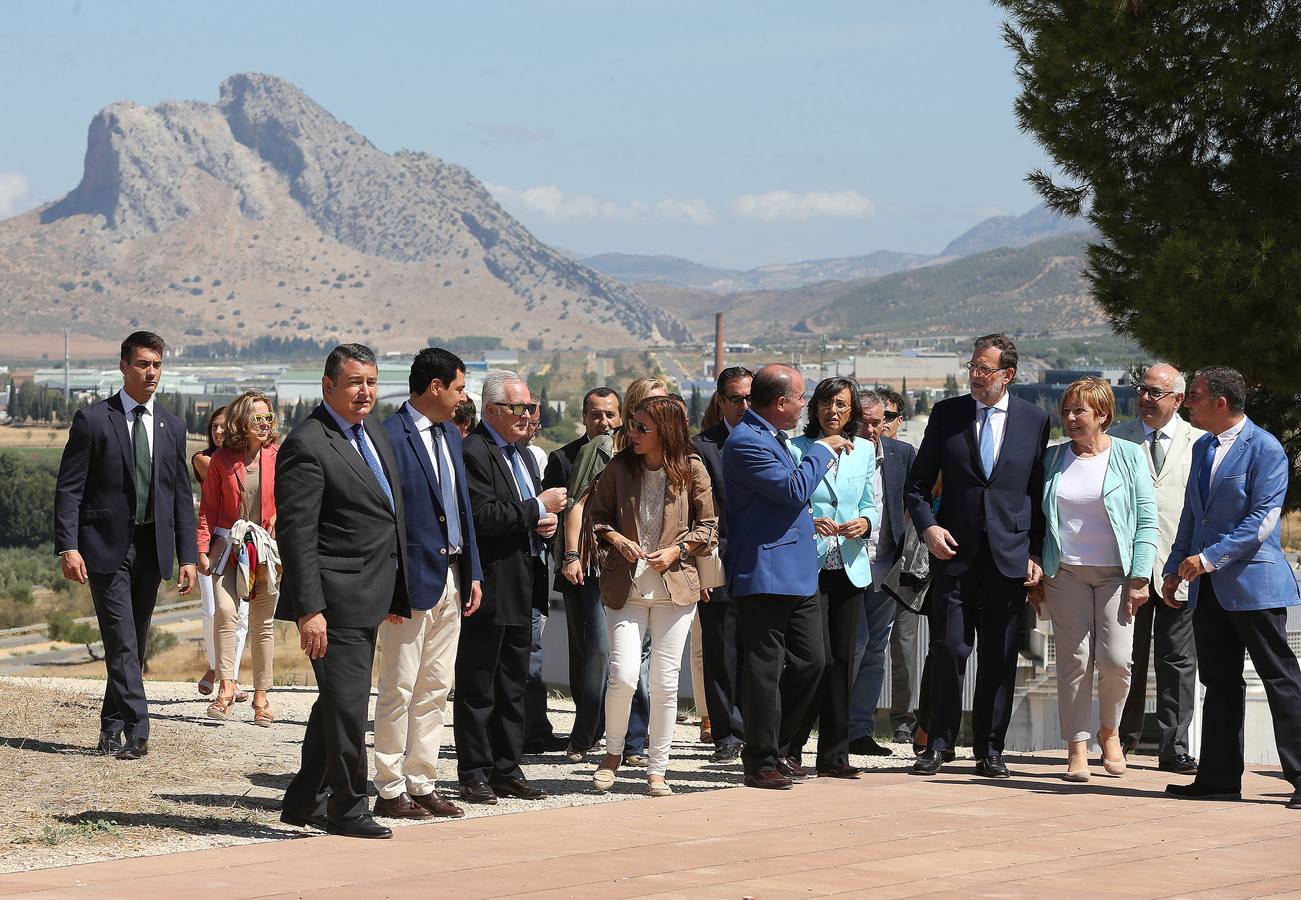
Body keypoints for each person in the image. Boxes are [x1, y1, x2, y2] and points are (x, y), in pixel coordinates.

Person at [275, 343, 410, 840]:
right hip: (333, 602)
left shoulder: (372, 430)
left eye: (371, 381)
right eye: (355, 382)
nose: (366, 391)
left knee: (335, 702)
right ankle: (348, 810)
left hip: (373, 592)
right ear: (328, 385)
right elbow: (297, 535)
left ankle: (303, 799)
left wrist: (397, 592)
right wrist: (310, 610)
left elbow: (385, 513)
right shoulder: (307, 444)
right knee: (350, 707)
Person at [906, 333, 1050, 778]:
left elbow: (1037, 493)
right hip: (954, 554)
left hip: (1009, 557)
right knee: (949, 648)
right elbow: (916, 485)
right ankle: (939, 743)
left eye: (984, 369)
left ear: (1007, 374)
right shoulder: (947, 415)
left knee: (999, 655)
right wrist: (928, 527)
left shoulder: (1034, 419)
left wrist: (1036, 554)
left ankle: (990, 748)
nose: (974, 375)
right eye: (972, 366)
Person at [1162, 367, 1301, 809]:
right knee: (1219, 683)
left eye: (1195, 396)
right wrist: (1173, 567)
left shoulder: (1266, 449)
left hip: (1254, 586)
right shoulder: (1203, 447)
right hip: (1208, 591)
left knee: (1281, 681)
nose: (1188, 403)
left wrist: (1206, 559)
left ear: (1220, 403)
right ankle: (1219, 779)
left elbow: (1262, 522)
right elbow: (1192, 514)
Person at [55, 331, 197, 760]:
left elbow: (179, 496)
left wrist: (188, 555)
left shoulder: (172, 425)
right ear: (123, 366)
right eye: (142, 364)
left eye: (157, 364)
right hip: (103, 548)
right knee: (121, 640)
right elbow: (69, 489)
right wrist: (68, 545)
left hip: (152, 549)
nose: (151, 372)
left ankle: (110, 727)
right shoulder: (94, 419)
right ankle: (138, 728)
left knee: (132, 638)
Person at [723, 364, 851, 789]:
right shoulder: (745, 441)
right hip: (765, 572)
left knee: (815, 662)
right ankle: (760, 758)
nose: (803, 405)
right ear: (780, 403)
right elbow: (793, 490)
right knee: (764, 669)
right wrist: (823, 451)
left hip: (798, 571)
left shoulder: (772, 437)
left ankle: (778, 745)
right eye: (799, 398)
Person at [587, 396, 717, 795]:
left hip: (675, 587)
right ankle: (612, 754)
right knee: (624, 675)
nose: (633, 434)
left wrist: (677, 550)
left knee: (664, 682)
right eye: (632, 425)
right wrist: (616, 538)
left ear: (667, 430)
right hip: (625, 586)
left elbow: (709, 526)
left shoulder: (693, 468)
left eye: (642, 427)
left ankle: (658, 768)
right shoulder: (619, 466)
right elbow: (596, 516)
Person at [373, 348, 483, 820]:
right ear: (435, 387)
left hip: (452, 580)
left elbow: (462, 510)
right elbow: (386, 521)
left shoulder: (451, 438)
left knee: (437, 686)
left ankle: (422, 781)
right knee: (398, 685)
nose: (463, 397)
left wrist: (473, 570)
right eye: (459, 388)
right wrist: (393, 586)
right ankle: (388, 784)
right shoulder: (389, 437)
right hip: (410, 584)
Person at [1037, 377, 1157, 781]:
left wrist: (1140, 577)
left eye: (1079, 411)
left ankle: (1110, 732)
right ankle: (1076, 746)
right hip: (1065, 571)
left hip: (1117, 576)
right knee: (1074, 660)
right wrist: (1034, 563)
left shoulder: (1128, 456)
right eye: (1066, 411)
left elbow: (1146, 520)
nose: (1070, 418)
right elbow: (1037, 519)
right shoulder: (1053, 459)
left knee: (1116, 659)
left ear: (1102, 415)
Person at [456, 370, 565, 804]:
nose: (527, 416)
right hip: (491, 584)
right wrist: (538, 507)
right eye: (519, 408)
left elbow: (523, 515)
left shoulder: (521, 454)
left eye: (531, 408)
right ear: (493, 410)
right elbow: (483, 516)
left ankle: (507, 767)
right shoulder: (474, 452)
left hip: (525, 584)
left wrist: (545, 524)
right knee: (479, 684)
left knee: (513, 684)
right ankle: (475, 772)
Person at [561, 376, 667, 767]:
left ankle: (634, 742)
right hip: (600, 562)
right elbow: (577, 503)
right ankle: (586, 733)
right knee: (603, 655)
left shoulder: (667, 455)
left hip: (650, 565)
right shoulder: (603, 450)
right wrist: (571, 555)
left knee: (641, 659)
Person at [1110, 364, 1204, 775]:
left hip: (1179, 567)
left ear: (1178, 400)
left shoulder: (1200, 443)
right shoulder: (1116, 439)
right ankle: (1119, 741)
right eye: (1142, 390)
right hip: (1126, 568)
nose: (1145, 398)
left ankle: (1174, 748)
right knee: (1123, 658)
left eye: (1155, 392)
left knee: (1178, 661)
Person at [785, 377, 879, 778]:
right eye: (826, 403)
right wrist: (811, 521)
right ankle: (790, 746)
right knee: (813, 661)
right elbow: (790, 501)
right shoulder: (796, 448)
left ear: (852, 410)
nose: (834, 411)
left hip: (850, 566)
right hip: (810, 566)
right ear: (814, 409)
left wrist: (864, 522)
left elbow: (869, 503)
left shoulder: (866, 451)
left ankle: (835, 756)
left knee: (843, 662)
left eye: (841, 404)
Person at [196, 390, 282, 727]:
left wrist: (281, 519)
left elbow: (293, 500)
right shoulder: (221, 460)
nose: (263, 425)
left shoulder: (279, 455)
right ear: (242, 422)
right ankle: (227, 687)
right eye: (256, 418)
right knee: (226, 613)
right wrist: (202, 548)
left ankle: (261, 695)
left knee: (262, 624)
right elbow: (208, 510)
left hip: (265, 550)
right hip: (227, 548)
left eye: (267, 419)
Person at [545, 387, 622, 762]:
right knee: (589, 651)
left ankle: (619, 733)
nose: (603, 422)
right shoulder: (563, 459)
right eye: (596, 415)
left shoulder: (629, 456)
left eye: (610, 414)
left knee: (621, 653)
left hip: (623, 567)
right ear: (583, 417)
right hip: (581, 571)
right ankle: (585, 731)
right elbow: (556, 519)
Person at [848, 386, 917, 755]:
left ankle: (859, 731)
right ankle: (837, 725)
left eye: (878, 422)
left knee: (875, 650)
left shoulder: (902, 454)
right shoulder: (837, 452)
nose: (872, 430)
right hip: (846, 566)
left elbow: (916, 500)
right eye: (865, 423)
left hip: (887, 569)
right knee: (853, 647)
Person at [691, 366, 752, 763]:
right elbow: (694, 513)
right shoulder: (702, 447)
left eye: (751, 398)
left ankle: (761, 728)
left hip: (766, 559)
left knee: (761, 649)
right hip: (719, 559)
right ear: (721, 401)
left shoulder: (777, 442)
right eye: (736, 398)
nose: (745, 405)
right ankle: (727, 731)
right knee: (720, 649)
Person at [192, 406, 248, 701]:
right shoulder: (205, 459)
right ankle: (215, 667)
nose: (219, 432)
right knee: (212, 610)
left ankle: (228, 675)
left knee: (243, 615)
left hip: (245, 539)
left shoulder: (248, 459)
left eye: (224, 427)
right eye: (214, 427)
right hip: (215, 540)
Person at [520, 397, 564, 754]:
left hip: (536, 561)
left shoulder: (536, 457)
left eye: (534, 424)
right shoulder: (481, 453)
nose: (529, 428)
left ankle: (534, 727)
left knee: (533, 648)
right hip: (504, 569)